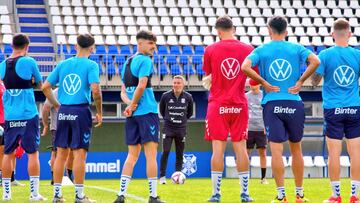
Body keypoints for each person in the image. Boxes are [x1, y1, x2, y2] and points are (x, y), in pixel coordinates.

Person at [241, 16, 320, 203]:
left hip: (272, 104)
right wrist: (300, 81)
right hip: (294, 102)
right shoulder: (295, 48)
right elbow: (315, 61)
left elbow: (245, 66)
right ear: (286, 31)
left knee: (276, 151)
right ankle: (299, 194)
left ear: (269, 30)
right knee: (296, 150)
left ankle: (281, 195)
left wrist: (263, 82)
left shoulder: (261, 50)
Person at [42, 33, 102, 203]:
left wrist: (57, 104)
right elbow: (96, 91)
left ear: (75, 46)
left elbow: (45, 86)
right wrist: (100, 112)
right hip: (80, 111)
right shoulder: (91, 65)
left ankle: (57, 195)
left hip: (63, 112)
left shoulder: (63, 64)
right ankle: (79, 196)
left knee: (61, 154)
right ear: (92, 48)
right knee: (79, 154)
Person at [202, 16, 254, 202]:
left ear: (218, 31)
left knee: (218, 150)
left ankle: (216, 194)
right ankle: (245, 194)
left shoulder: (211, 49)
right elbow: (253, 77)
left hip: (218, 104)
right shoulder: (248, 49)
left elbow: (208, 75)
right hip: (240, 102)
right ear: (234, 28)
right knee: (241, 148)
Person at [311, 19, 360, 203]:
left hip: (333, 109)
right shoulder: (357, 56)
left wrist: (324, 75)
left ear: (332, 34)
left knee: (334, 154)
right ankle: (354, 196)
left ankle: (336, 195)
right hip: (354, 107)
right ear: (350, 34)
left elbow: (315, 81)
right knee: (356, 153)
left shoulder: (324, 55)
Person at [113, 30, 165, 203]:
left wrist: (129, 104)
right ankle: (153, 196)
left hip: (132, 116)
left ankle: (121, 195)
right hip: (147, 113)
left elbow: (122, 91)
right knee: (151, 156)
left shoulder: (127, 62)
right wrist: (134, 104)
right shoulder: (145, 61)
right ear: (140, 43)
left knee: (132, 156)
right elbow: (142, 86)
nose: (154, 48)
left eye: (154, 44)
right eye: (151, 44)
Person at [0, 33, 46, 201]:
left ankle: (6, 194)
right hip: (28, 114)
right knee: (32, 153)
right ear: (27, 47)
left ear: (11, 46)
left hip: (10, 116)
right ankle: (34, 194)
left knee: (8, 153)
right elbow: (42, 85)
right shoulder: (29, 61)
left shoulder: (2, 65)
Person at [159, 75, 193, 184]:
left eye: (178, 83)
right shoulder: (165, 96)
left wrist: (182, 121)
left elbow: (190, 113)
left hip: (181, 129)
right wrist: (170, 119)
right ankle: (162, 177)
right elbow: (162, 111)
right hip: (168, 128)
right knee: (166, 151)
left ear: (183, 84)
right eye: (174, 83)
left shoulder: (188, 97)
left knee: (179, 153)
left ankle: (178, 175)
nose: (176, 85)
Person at [42, 87, 74, 185]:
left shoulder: (71, 91)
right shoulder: (55, 92)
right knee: (56, 153)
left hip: (71, 126)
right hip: (58, 127)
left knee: (67, 152)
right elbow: (46, 108)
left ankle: (68, 176)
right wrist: (46, 125)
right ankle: (55, 178)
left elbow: (45, 108)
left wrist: (46, 125)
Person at [245, 79, 268, 185]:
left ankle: (263, 178)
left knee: (263, 153)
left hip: (261, 128)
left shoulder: (265, 95)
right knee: (246, 153)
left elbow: (268, 111)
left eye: (254, 87)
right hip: (249, 128)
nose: (252, 89)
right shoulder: (246, 96)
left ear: (259, 85)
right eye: (251, 87)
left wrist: (266, 126)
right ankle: (245, 178)